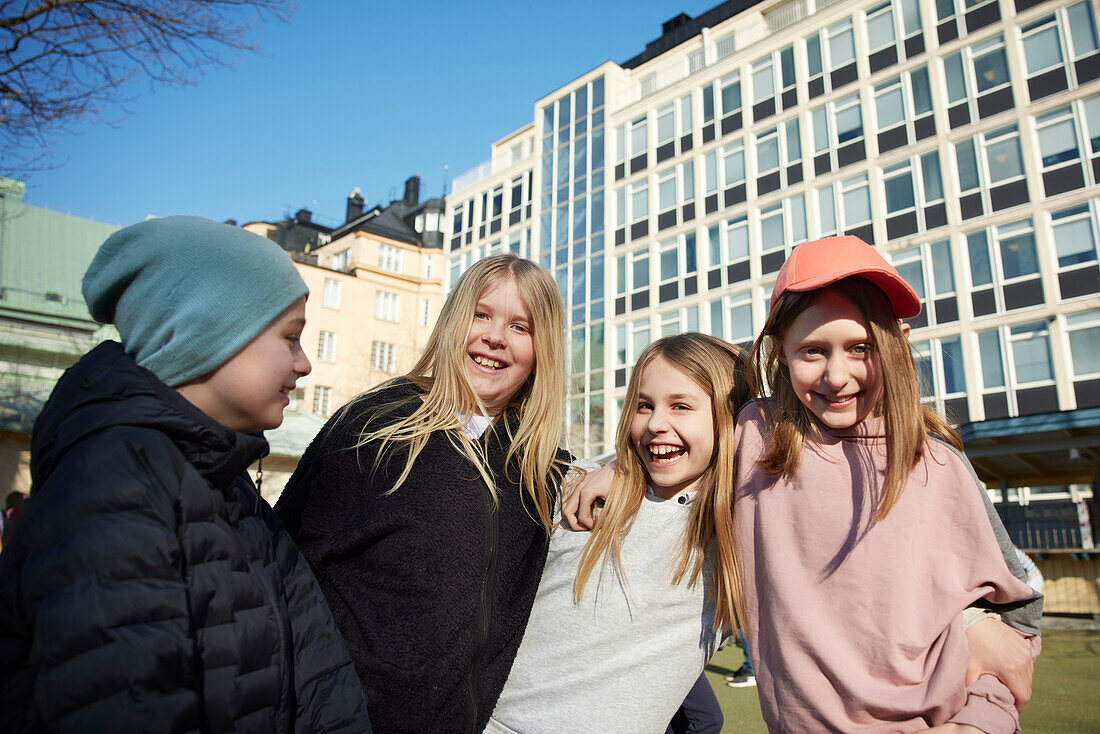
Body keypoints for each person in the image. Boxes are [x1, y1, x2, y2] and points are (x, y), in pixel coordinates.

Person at [565, 236, 1044, 731]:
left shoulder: (937, 461)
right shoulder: (756, 438)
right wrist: (621, 467)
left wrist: (980, 716)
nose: (837, 376)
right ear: (781, 352)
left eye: (861, 347)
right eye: (813, 350)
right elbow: (678, 446)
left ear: (896, 343)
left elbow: (1017, 611)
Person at [0, 216, 370, 732]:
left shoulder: (225, 482)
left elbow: (317, 672)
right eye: (289, 338)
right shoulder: (113, 489)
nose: (305, 364)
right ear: (206, 334)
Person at [275, 254, 571, 734]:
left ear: (543, 349)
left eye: (521, 326)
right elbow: (283, 562)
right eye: (481, 314)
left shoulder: (540, 470)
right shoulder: (374, 424)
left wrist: (613, 471)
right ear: (454, 320)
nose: (495, 336)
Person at [485, 333, 748, 734]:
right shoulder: (576, 489)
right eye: (644, 405)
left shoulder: (741, 532)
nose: (656, 423)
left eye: (680, 406)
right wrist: (616, 468)